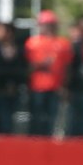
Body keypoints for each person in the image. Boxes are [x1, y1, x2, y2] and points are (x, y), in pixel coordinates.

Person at [24, 9, 71, 137]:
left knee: (52, 119)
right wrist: (41, 65)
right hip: (37, 87)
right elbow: (27, 66)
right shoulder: (32, 43)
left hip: (55, 87)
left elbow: (67, 67)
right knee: (36, 118)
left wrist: (64, 86)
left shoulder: (63, 43)